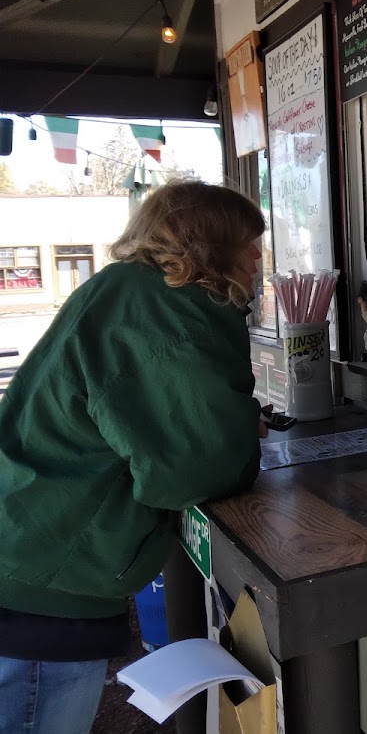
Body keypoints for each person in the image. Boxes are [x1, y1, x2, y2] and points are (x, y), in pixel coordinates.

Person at [0, 180, 269, 734]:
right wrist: (240, 426)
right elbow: (199, 468)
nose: (259, 260)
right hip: (44, 582)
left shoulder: (127, 289)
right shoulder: (167, 310)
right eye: (251, 246)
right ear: (211, 246)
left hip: (29, 541)